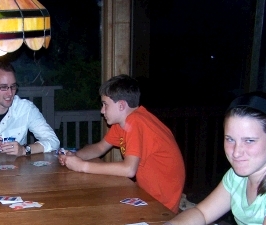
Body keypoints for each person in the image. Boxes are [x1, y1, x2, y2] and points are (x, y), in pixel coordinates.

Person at [141, 92, 266, 225]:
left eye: (249, 141)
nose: (236, 152)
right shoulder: (237, 176)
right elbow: (202, 213)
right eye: (230, 139)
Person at [58, 74, 185, 213]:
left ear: (121, 105)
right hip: (145, 194)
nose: (102, 110)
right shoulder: (123, 124)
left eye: (105, 105)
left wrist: (82, 166)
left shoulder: (136, 122)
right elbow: (100, 147)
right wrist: (75, 156)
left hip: (161, 207)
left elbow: (129, 170)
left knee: (98, 211)